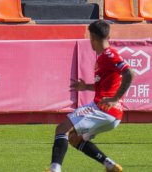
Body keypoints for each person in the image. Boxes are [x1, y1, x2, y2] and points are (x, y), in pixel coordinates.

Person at [47, 20, 135, 172]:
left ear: (93, 37)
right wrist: (85, 86)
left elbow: (129, 73)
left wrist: (115, 98)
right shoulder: (103, 57)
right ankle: (110, 166)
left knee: (62, 129)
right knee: (75, 139)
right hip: (113, 114)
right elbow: (105, 85)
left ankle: (55, 170)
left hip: (103, 109)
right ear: (109, 35)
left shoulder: (109, 54)